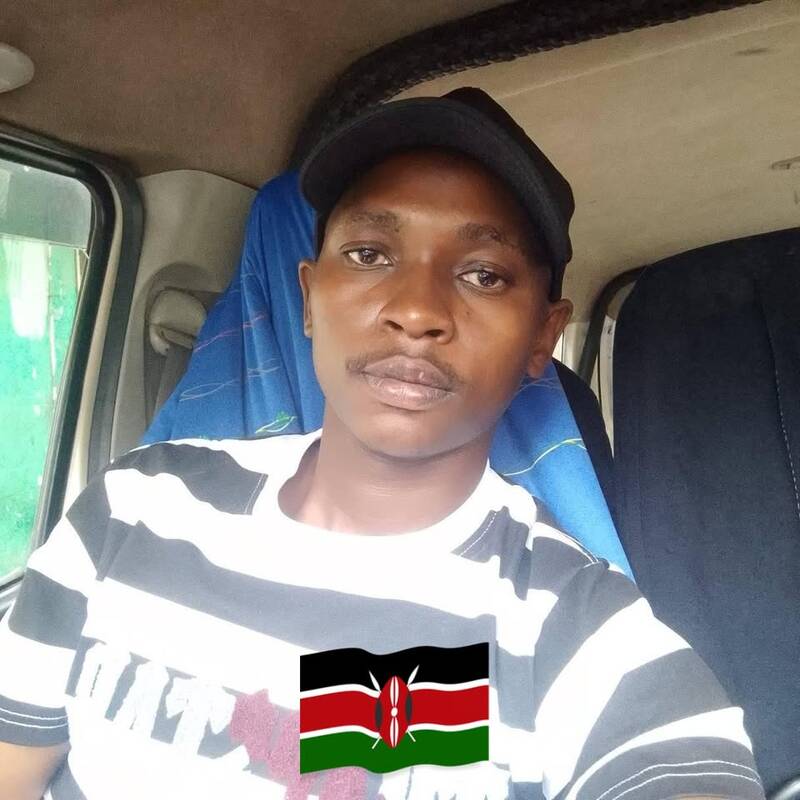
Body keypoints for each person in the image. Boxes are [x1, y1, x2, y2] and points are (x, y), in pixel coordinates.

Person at [0, 88, 764, 800]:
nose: (416, 311)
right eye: (369, 255)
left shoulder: (578, 635)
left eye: (483, 274)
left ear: (543, 336)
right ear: (308, 298)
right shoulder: (131, 507)